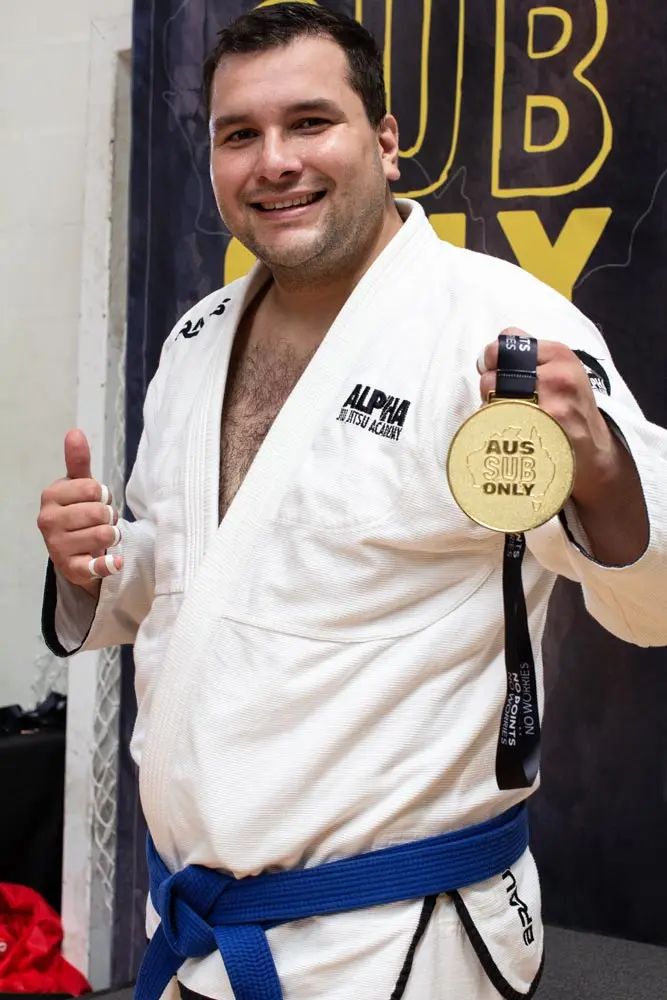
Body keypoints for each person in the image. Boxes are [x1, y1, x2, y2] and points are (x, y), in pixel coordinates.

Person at [37, 4, 667, 999]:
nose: (274, 160)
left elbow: (654, 596)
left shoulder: (499, 325)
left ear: (385, 141)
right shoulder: (198, 335)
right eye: (238, 135)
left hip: (394, 944)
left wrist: (600, 472)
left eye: (310, 122)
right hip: (205, 926)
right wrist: (94, 565)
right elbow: (191, 576)